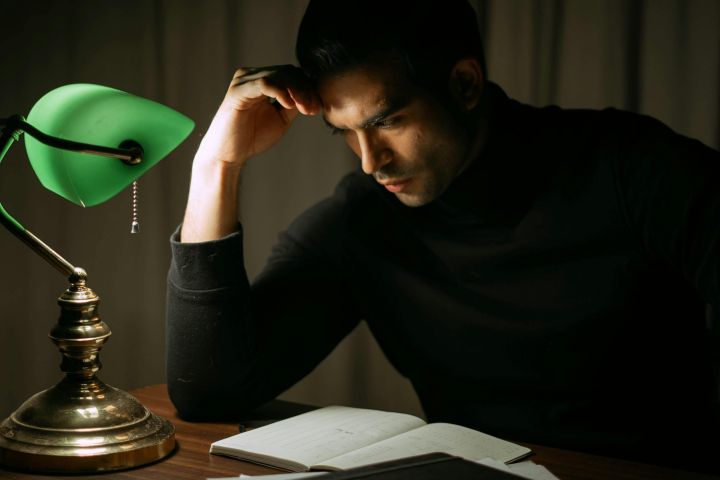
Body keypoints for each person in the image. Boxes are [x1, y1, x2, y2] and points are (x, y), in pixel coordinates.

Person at [166, 0, 720, 472]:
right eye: (345, 133)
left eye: (386, 122)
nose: (370, 162)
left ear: (465, 84)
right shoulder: (364, 220)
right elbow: (209, 390)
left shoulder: (635, 170)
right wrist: (217, 164)